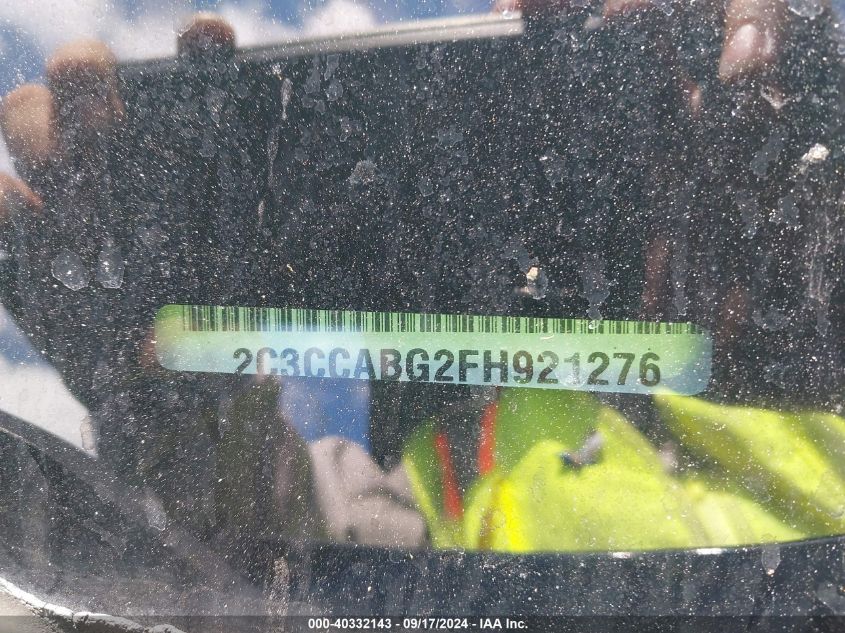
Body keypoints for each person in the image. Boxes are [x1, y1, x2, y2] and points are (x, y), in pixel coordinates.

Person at [0, 0, 843, 564]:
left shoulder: (806, 292)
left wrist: (822, 234)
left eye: (609, 104)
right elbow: (250, 557)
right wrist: (160, 393)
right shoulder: (441, 462)